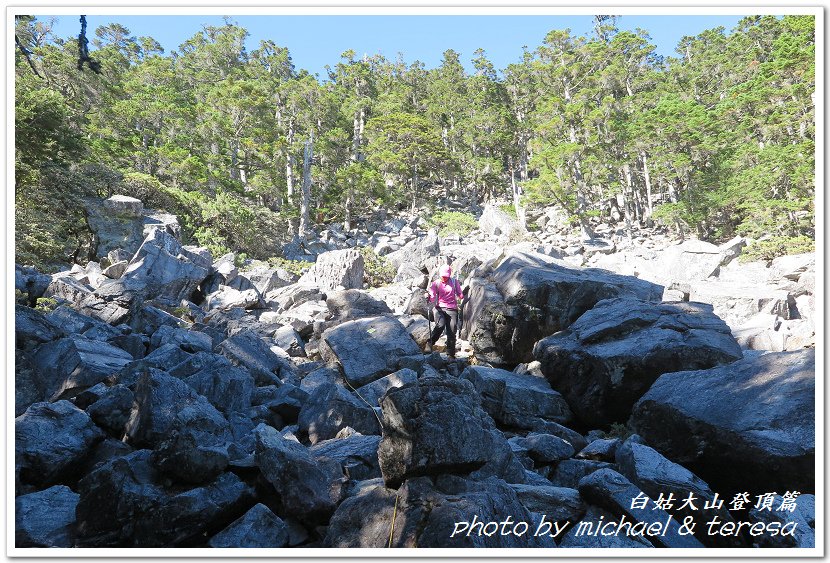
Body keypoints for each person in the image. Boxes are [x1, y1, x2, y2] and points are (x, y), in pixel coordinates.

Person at [424, 264, 463, 358]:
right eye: (442, 276)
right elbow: (432, 297)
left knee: (452, 330)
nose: (444, 278)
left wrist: (463, 297)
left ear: (449, 275)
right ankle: (429, 343)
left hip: (452, 309)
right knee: (440, 325)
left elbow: (460, 294)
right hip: (439, 308)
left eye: (446, 276)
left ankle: (451, 354)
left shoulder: (454, 282)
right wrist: (428, 296)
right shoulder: (436, 283)